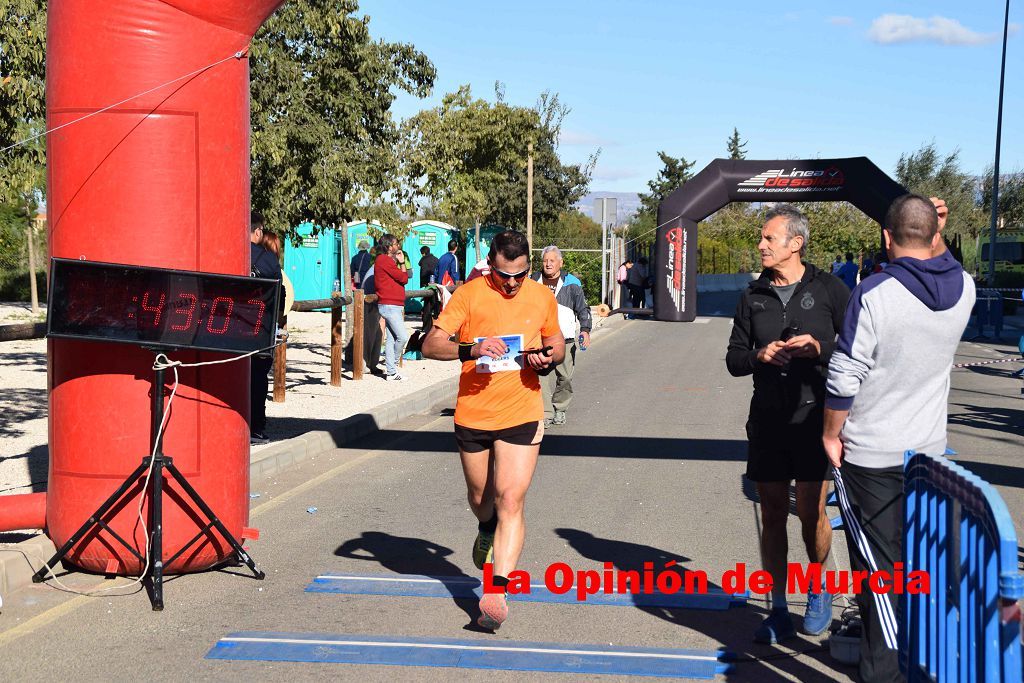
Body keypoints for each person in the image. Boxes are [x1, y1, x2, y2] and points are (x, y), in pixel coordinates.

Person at [823, 194, 974, 682]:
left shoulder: (874, 293)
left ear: (886, 238)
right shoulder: (964, 289)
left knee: (881, 579)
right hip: (928, 454)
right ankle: (925, 668)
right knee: (925, 571)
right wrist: (937, 231)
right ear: (933, 236)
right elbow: (943, 265)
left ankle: (881, 674)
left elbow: (845, 374)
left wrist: (830, 434)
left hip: (871, 456)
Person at [421, 230, 565, 630]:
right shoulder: (469, 295)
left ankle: (496, 591)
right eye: (505, 275)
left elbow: (556, 345)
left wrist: (547, 360)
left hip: (522, 409)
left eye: (522, 274)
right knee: (483, 498)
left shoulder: (541, 296)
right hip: (474, 414)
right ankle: (485, 528)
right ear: (490, 264)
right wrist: (472, 349)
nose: (514, 283)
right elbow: (430, 346)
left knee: (511, 500)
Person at [726, 204, 850, 644]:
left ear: (795, 244)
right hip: (768, 420)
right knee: (774, 512)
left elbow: (856, 349)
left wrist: (820, 346)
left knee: (811, 513)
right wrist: (758, 355)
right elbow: (734, 359)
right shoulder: (751, 296)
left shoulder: (832, 288)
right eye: (761, 238)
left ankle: (819, 585)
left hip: (815, 417)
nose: (760, 245)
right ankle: (777, 607)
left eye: (768, 238)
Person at [530, 246, 592, 427]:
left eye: (552, 261)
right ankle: (546, 412)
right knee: (540, 376)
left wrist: (585, 329)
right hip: (539, 338)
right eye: (545, 261)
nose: (548, 264)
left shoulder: (572, 282)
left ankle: (560, 408)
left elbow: (583, 308)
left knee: (564, 377)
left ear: (560, 262)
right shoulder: (533, 280)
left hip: (565, 339)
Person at [249, 211, 283, 445]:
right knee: (258, 377)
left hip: (220, 328)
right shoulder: (269, 261)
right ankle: (255, 427)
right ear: (258, 231)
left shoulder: (222, 251)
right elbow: (279, 296)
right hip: (259, 328)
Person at [372, 234, 410, 381]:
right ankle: (392, 367)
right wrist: (402, 263)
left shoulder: (386, 260)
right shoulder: (384, 260)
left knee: (392, 339)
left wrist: (399, 263)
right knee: (402, 337)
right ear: (389, 246)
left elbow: (401, 278)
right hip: (390, 305)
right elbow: (404, 278)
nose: (398, 246)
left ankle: (391, 373)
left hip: (392, 304)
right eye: (395, 244)